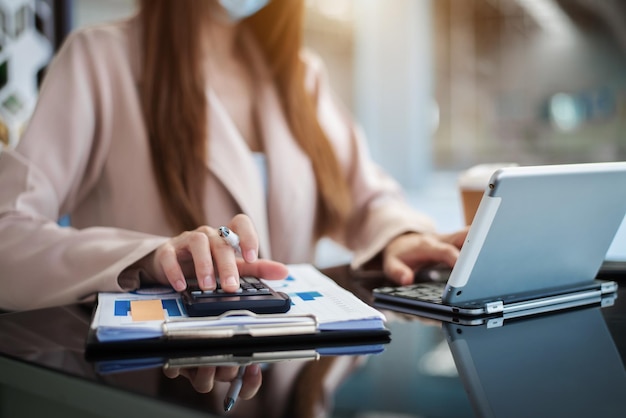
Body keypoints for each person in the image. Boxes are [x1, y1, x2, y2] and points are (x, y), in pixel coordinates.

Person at [0, 0, 466, 313]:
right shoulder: (99, 59)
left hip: (294, 375)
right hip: (156, 382)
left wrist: (399, 237)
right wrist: (145, 258)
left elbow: (365, 199)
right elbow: (8, 234)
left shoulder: (300, 75)